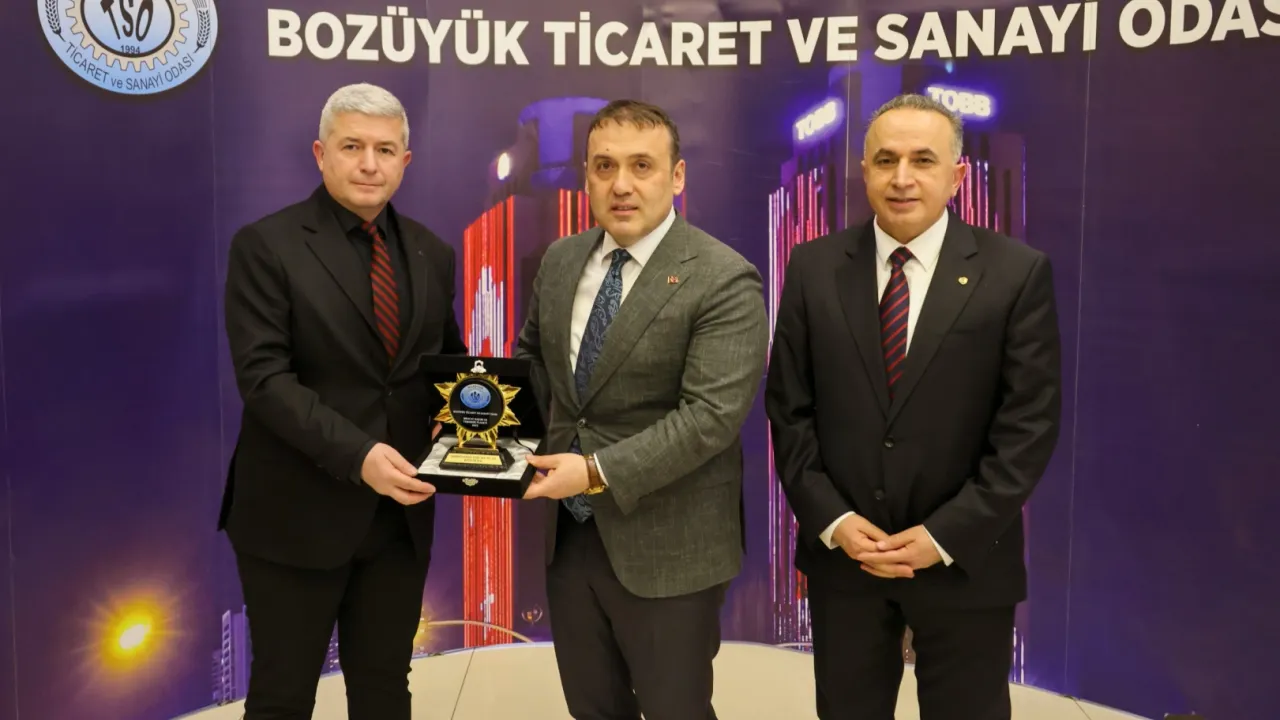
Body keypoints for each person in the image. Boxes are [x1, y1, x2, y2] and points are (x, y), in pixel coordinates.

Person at [765, 93, 1062, 720]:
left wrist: (943, 535)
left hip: (965, 565)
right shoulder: (813, 268)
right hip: (847, 565)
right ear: (864, 172)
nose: (902, 177)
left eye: (923, 160)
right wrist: (835, 522)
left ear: (957, 175)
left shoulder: (1015, 274)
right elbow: (789, 411)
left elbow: (1028, 428)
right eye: (886, 160)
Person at [514, 99, 768, 720]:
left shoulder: (723, 277)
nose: (621, 184)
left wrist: (592, 472)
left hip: (669, 546)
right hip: (569, 540)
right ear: (586, 175)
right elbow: (534, 368)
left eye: (641, 166)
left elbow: (708, 418)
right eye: (604, 166)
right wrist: (478, 432)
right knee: (593, 708)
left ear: (677, 176)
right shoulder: (560, 260)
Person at [219, 82, 466, 719]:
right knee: (282, 697)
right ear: (320, 153)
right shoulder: (266, 246)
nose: (369, 164)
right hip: (295, 515)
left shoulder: (432, 253)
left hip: (398, 520)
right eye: (352, 146)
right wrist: (360, 456)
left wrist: (488, 440)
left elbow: (447, 371)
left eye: (385, 150)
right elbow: (264, 380)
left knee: (385, 692)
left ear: (405, 161)